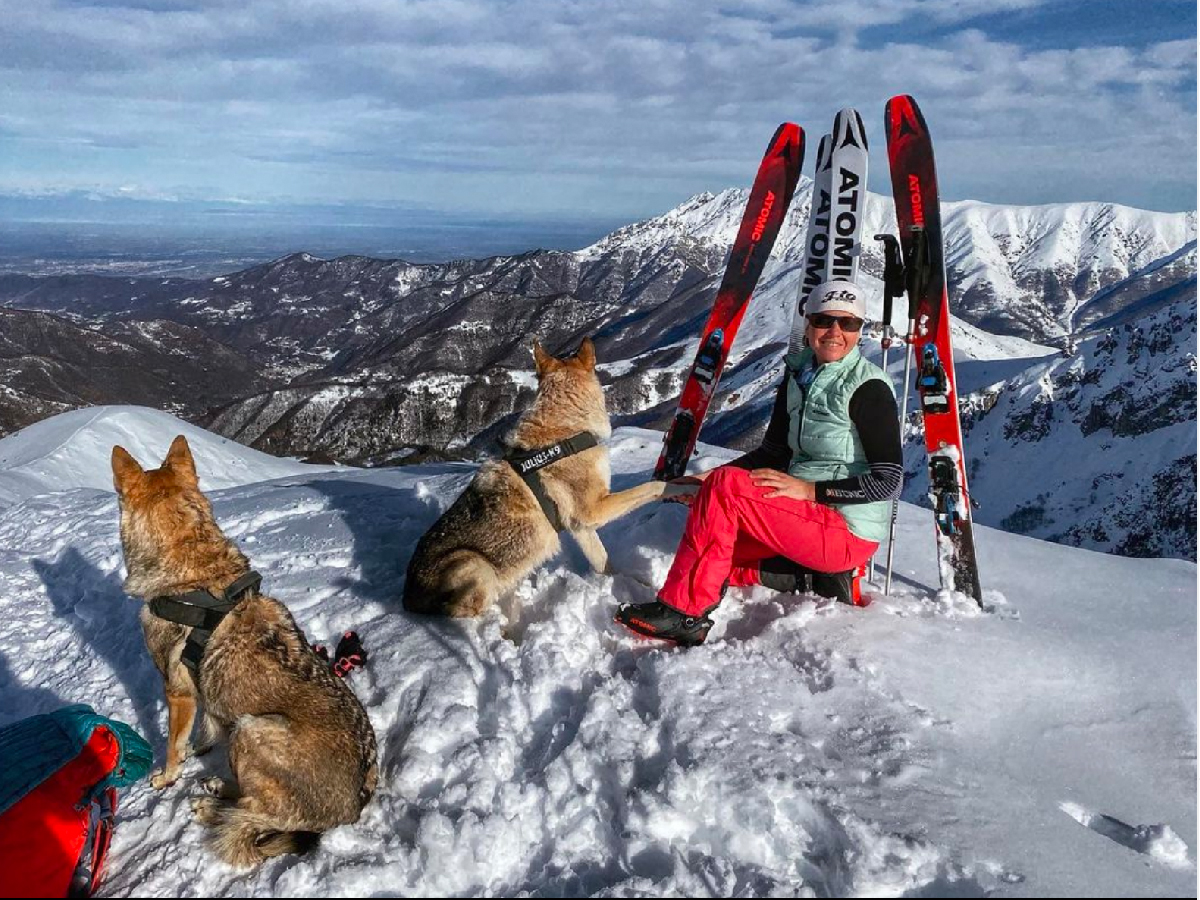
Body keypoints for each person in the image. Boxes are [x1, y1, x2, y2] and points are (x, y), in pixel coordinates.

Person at [615, 279, 903, 645]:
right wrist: (708, 478)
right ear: (808, 322)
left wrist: (808, 489)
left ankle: (684, 614)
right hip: (805, 517)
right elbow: (773, 453)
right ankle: (814, 577)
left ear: (860, 330)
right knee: (712, 551)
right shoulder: (799, 377)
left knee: (723, 500)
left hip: (845, 529)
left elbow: (889, 480)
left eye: (848, 323)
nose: (835, 332)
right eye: (824, 320)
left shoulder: (868, 387)